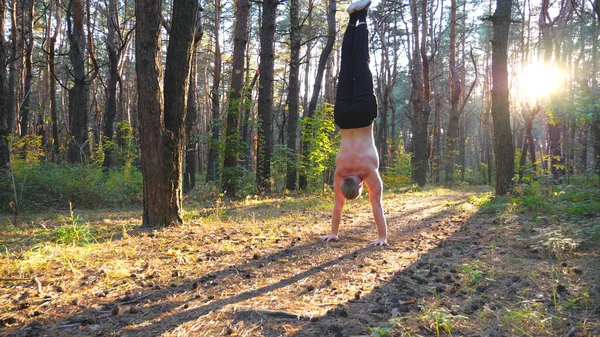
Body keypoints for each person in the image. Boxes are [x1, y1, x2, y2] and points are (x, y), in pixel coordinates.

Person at [320, 0, 388, 246]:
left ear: (360, 186)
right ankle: (351, 18)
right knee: (347, 65)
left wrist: (382, 237)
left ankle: (364, 14)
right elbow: (337, 208)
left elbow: (376, 205)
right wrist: (333, 232)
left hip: (362, 114)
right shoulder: (339, 173)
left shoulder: (368, 172)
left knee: (362, 62)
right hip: (343, 117)